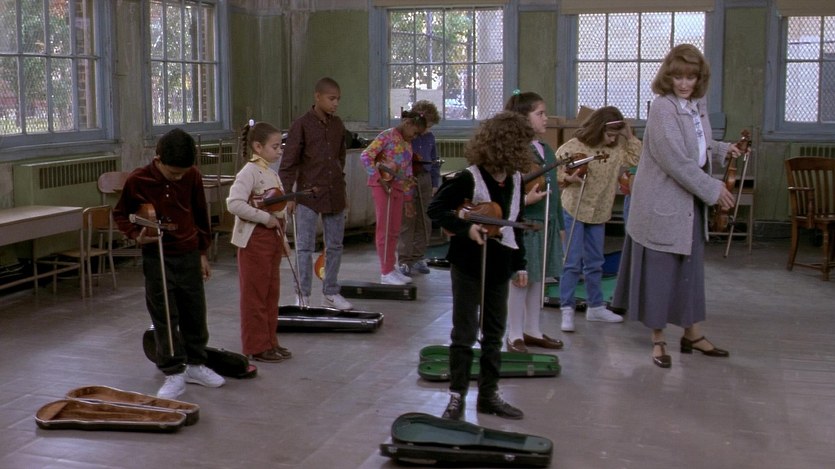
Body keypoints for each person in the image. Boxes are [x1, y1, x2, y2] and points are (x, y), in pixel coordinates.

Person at [612, 44, 742, 368]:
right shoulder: (662, 108)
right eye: (678, 77)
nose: (684, 83)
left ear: (699, 78)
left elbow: (697, 144)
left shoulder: (696, 105)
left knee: (689, 271)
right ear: (668, 77)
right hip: (660, 202)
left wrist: (722, 149)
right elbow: (675, 160)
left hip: (687, 203)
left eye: (691, 77)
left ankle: (692, 334)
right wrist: (713, 189)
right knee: (661, 273)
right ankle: (658, 340)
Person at [427, 111, 533, 421]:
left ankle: (488, 395)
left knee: (494, 332)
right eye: (520, 145)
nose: (524, 151)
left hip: (500, 263)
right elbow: (436, 209)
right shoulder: (468, 177)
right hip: (468, 263)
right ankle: (456, 396)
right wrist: (466, 227)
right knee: (464, 332)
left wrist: (521, 265)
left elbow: (514, 223)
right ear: (505, 144)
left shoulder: (515, 179)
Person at [113, 128, 225, 399]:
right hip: (158, 256)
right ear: (158, 159)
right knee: (164, 315)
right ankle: (173, 372)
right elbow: (121, 214)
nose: (178, 177)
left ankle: (195, 365)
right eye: (173, 173)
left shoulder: (192, 176)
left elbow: (200, 213)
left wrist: (202, 253)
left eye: (182, 173)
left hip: (188, 253)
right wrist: (136, 235)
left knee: (194, 313)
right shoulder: (138, 180)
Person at [556, 106, 641, 332]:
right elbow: (556, 171)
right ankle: (567, 308)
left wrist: (629, 136)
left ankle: (595, 307)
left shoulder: (616, 149)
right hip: (574, 209)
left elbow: (636, 159)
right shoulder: (574, 146)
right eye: (609, 134)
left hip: (600, 212)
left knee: (595, 262)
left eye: (615, 135)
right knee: (572, 261)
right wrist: (567, 178)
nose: (612, 139)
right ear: (598, 128)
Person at [279, 77, 353, 311]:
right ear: (318, 97)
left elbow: (340, 159)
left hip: (334, 192)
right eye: (331, 99)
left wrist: (342, 190)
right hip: (307, 195)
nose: (335, 103)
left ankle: (330, 292)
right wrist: (288, 195)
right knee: (304, 247)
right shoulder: (301, 125)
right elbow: (288, 164)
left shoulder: (338, 125)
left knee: (335, 245)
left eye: (338, 99)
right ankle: (302, 295)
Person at [504, 91, 565, 353]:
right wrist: (524, 201)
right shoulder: (514, 152)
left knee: (538, 280)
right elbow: (506, 192)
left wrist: (560, 224)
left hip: (546, 224)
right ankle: (514, 333)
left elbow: (555, 192)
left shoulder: (547, 150)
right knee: (521, 279)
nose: (546, 118)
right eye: (540, 113)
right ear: (522, 118)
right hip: (526, 225)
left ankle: (532, 329)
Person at [226, 121, 292, 363]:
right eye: (275, 147)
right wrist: (264, 218)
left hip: (272, 237)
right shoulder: (249, 172)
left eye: (280, 146)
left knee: (270, 293)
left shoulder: (271, 172)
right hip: (255, 240)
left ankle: (270, 341)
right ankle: (256, 345)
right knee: (254, 295)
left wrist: (283, 238)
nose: (279, 151)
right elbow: (234, 204)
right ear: (257, 147)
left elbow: (278, 210)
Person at [360, 109, 426, 285]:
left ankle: (391, 266)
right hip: (383, 186)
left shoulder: (407, 144)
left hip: (398, 187)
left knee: (395, 229)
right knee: (385, 229)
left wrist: (408, 199)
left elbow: (407, 171)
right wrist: (378, 178)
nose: (415, 137)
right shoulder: (387, 136)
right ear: (407, 123)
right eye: (415, 132)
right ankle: (385, 272)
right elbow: (366, 156)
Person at [397, 100, 441, 277]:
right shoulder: (406, 136)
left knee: (424, 220)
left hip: (425, 179)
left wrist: (435, 183)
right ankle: (404, 260)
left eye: (429, 126)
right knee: (408, 221)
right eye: (425, 125)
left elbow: (434, 160)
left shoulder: (430, 137)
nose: (427, 129)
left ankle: (418, 256)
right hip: (408, 179)